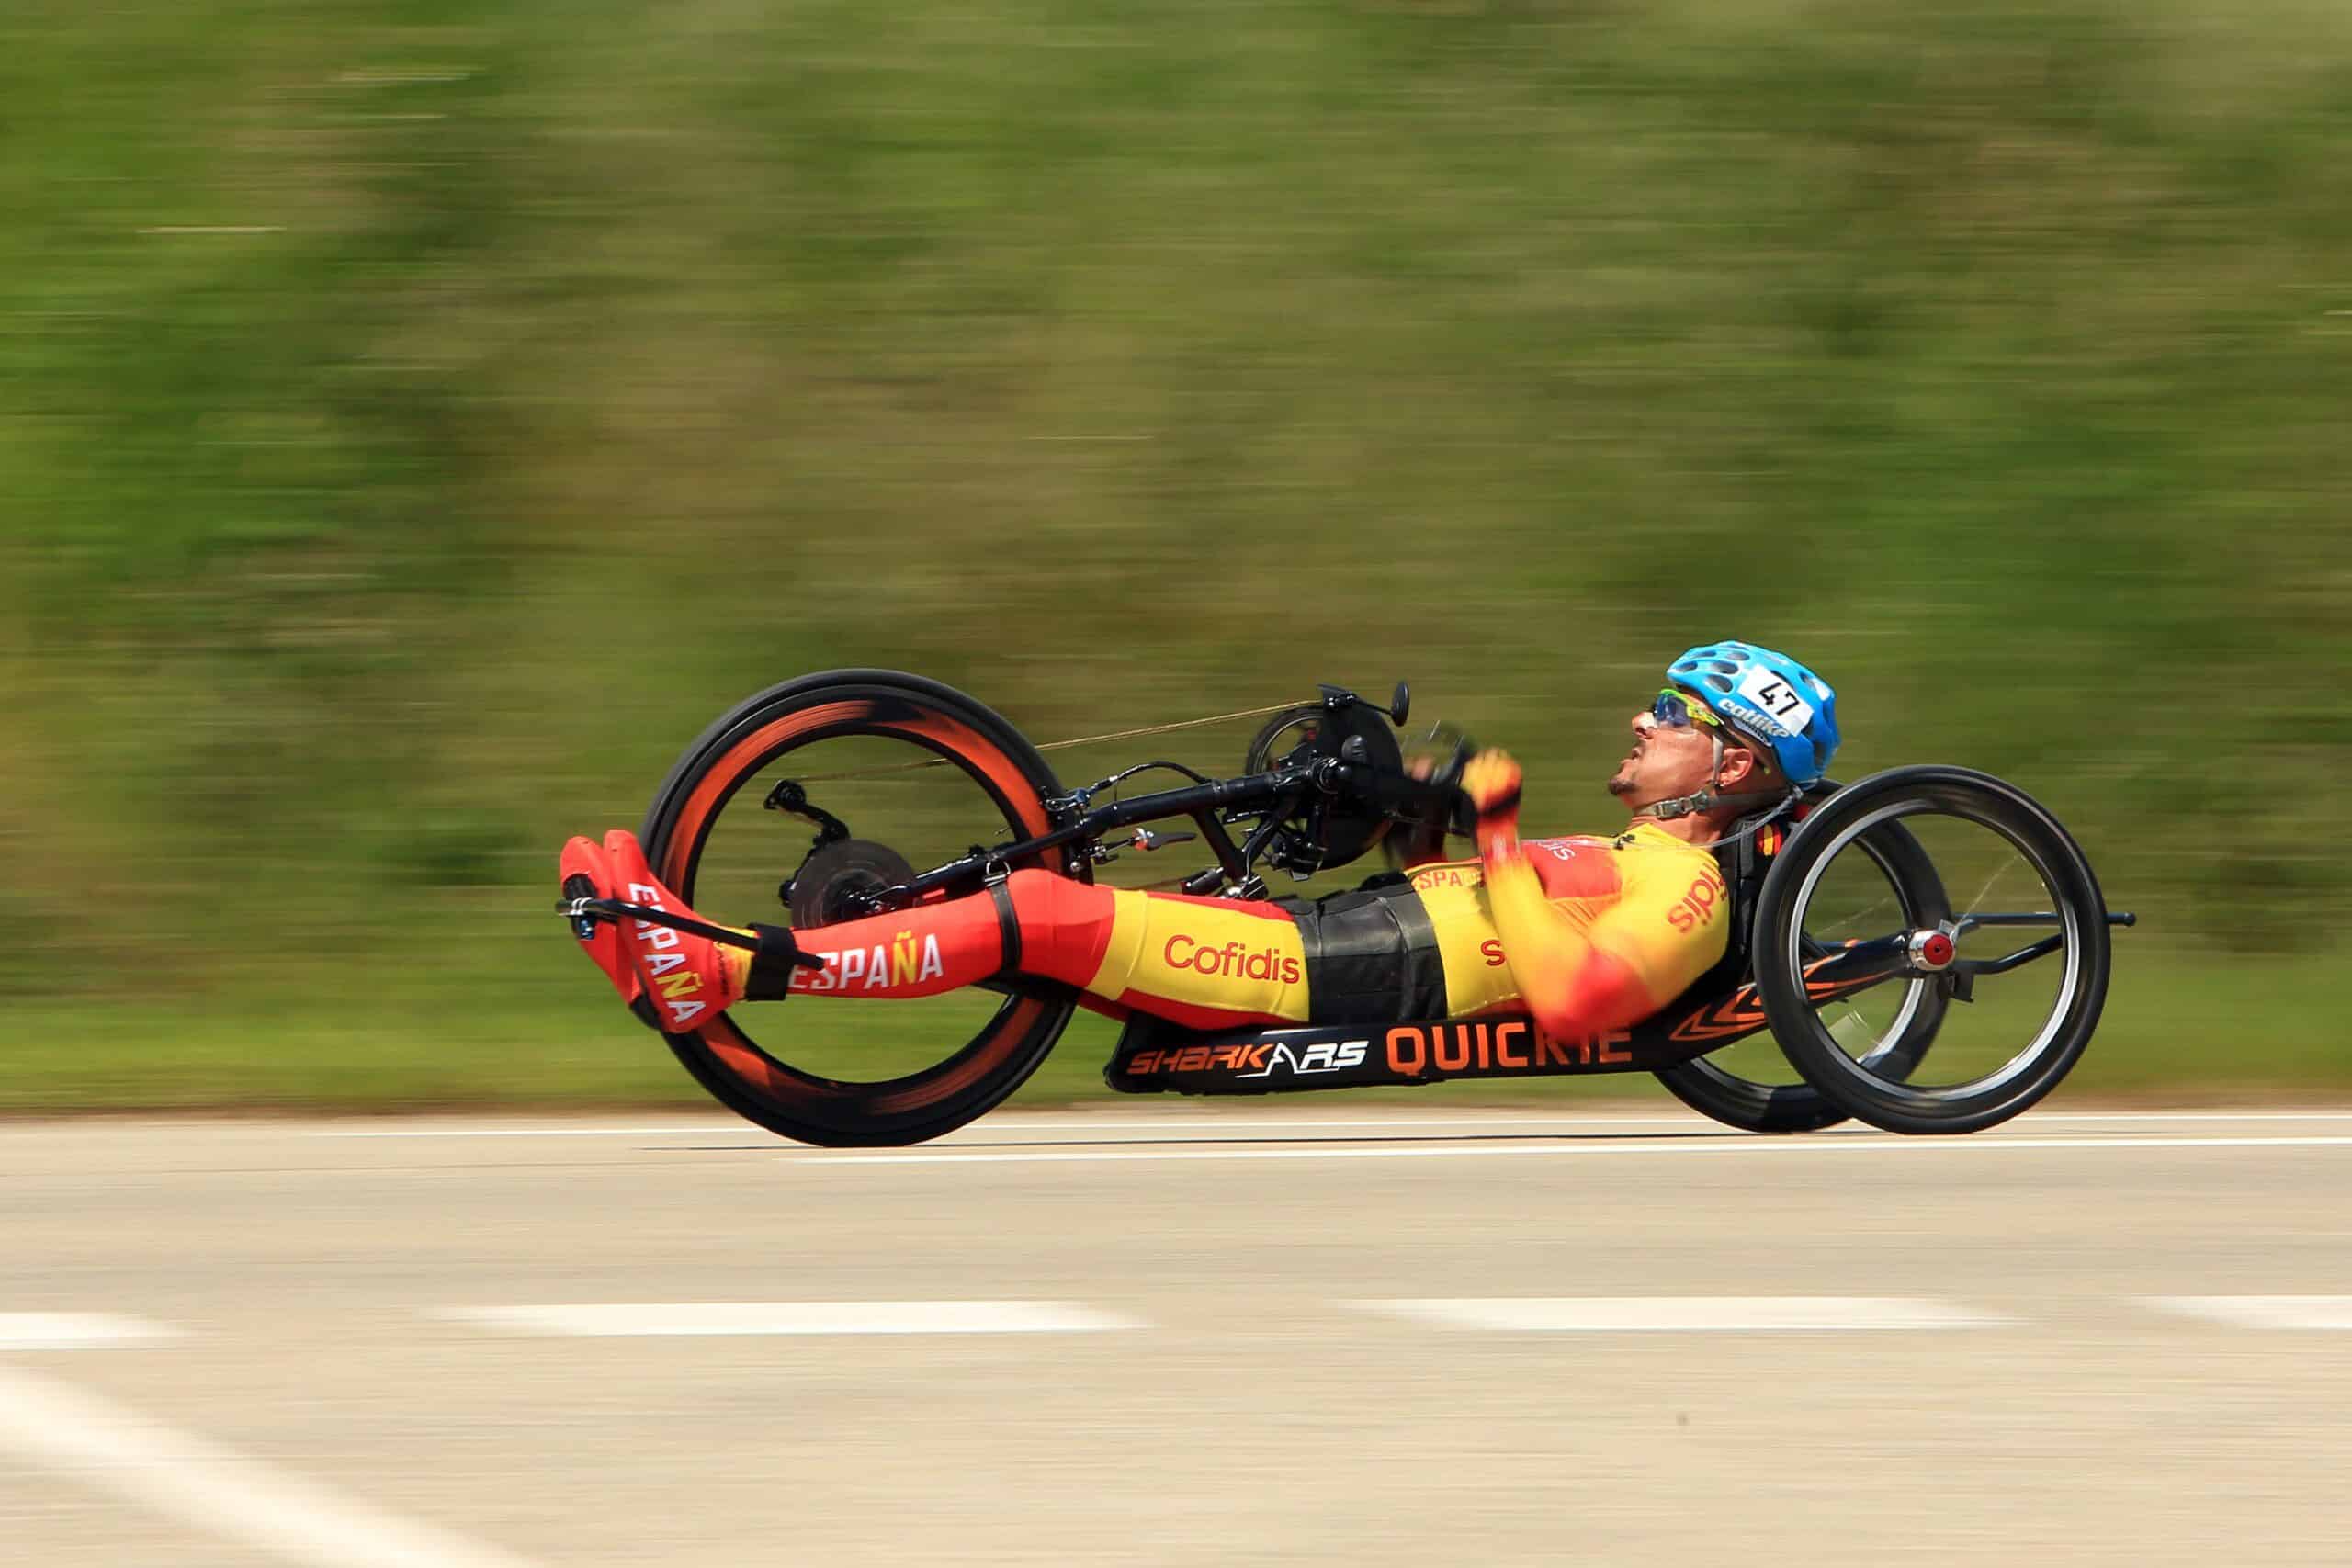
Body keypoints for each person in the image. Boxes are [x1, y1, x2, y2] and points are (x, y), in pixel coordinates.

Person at [560, 641, 1838, 1046]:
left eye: (1674, 714)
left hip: (1330, 979)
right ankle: (693, 948)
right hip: (1330, 938)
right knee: (1039, 894)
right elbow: (1479, 908)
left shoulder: (1691, 893)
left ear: (1734, 765)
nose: (1640, 716)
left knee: (1051, 923)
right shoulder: (1632, 848)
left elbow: (1573, 1003)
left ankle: (715, 969)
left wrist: (1497, 833)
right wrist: (1419, 810)